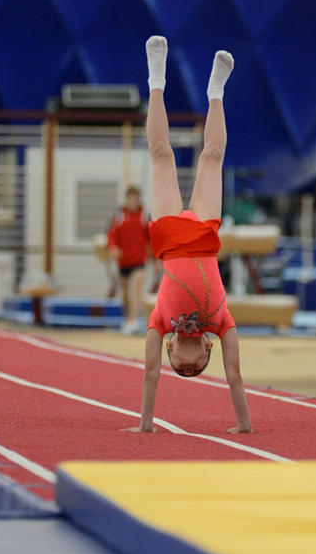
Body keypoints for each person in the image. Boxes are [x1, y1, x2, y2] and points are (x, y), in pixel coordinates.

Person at [130, 35, 252, 434]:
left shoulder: (159, 322)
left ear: (168, 349)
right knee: (212, 157)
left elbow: (150, 376)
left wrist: (146, 426)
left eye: (178, 369)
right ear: (208, 350)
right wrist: (244, 427)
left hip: (167, 236)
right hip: (203, 233)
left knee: (162, 155)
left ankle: (156, 79)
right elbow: (235, 378)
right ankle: (216, 89)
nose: (185, 369)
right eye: (195, 370)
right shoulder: (222, 323)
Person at [107, 185, 151, 334]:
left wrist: (156, 259)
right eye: (130, 199)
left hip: (139, 261)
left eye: (135, 199)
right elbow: (111, 234)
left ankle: (134, 320)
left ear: (138, 200)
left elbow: (150, 237)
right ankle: (128, 319)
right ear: (127, 200)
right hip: (123, 261)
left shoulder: (144, 215)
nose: (133, 202)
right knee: (125, 293)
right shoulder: (119, 215)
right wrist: (112, 247)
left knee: (136, 289)